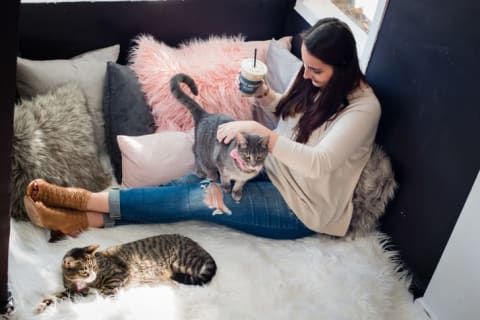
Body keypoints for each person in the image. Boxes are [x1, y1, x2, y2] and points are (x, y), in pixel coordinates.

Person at [24, 17, 381, 240]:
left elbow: (318, 162)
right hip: (271, 171)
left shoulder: (364, 110)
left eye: (315, 71)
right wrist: (265, 94)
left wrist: (264, 134)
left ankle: (83, 202)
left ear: (346, 67)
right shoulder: (315, 82)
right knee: (193, 182)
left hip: (302, 208)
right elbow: (287, 113)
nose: (306, 76)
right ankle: (82, 221)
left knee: (199, 200)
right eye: (304, 66)